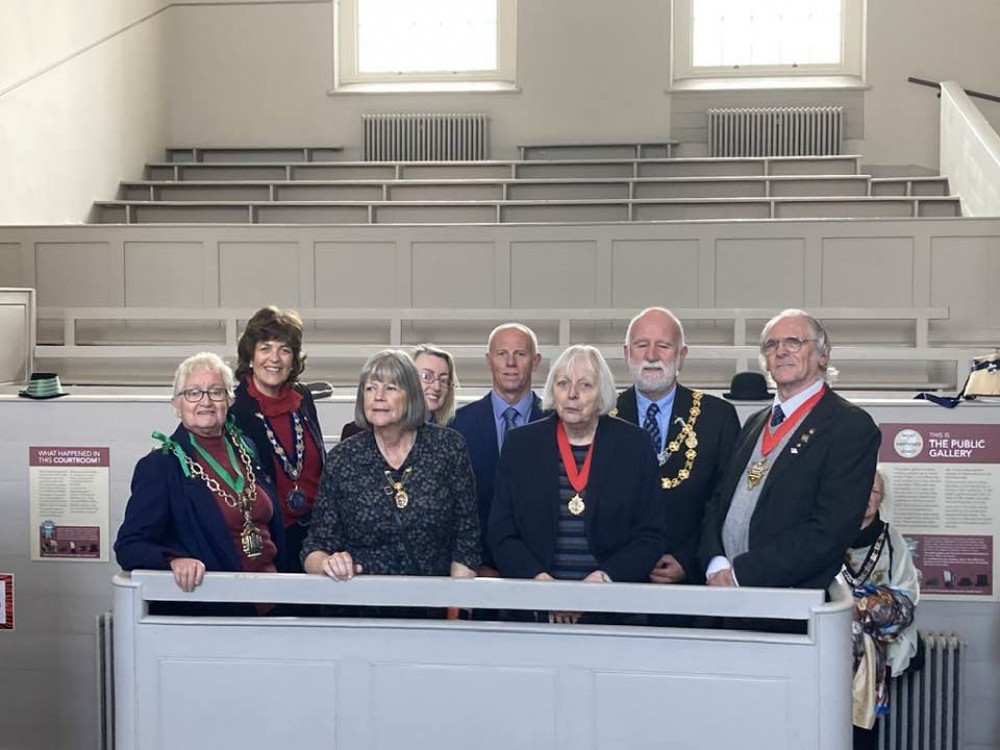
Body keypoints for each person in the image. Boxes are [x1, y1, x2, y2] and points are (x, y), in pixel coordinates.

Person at [700, 309, 881, 590]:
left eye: (794, 342)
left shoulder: (850, 426)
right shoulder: (754, 422)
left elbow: (829, 532)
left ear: (823, 355)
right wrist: (716, 562)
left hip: (789, 604)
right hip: (726, 594)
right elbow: (720, 500)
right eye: (771, 345)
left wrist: (741, 574)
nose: (781, 351)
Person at [488, 345, 667, 623]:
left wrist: (602, 581)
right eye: (563, 384)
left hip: (613, 611)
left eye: (585, 385)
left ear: (602, 394)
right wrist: (543, 587)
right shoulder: (521, 445)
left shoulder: (634, 445)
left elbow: (651, 534)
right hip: (534, 609)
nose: (572, 394)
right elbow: (501, 531)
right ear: (552, 391)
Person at [115, 352, 285, 605]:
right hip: (217, 607)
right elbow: (129, 545)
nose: (205, 401)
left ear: (229, 399)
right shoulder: (160, 466)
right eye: (193, 393)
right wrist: (173, 560)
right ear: (176, 403)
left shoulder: (247, 448)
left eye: (216, 391)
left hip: (275, 599)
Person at [303, 350, 479, 589]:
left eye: (391, 388)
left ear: (412, 396)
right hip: (358, 605)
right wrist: (328, 563)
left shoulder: (448, 448)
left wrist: (458, 605)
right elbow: (315, 548)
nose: (378, 397)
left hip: (432, 605)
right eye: (370, 388)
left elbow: (467, 538)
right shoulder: (343, 458)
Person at [615, 307, 740, 585]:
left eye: (663, 345)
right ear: (626, 354)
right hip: (617, 583)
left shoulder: (717, 416)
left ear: (681, 355)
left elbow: (725, 501)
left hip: (693, 585)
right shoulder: (602, 415)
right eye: (641, 345)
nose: (651, 356)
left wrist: (689, 558)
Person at [229, 306, 324, 573]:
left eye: (284, 350)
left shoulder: (303, 399)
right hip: (268, 538)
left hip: (316, 536)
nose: (275, 358)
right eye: (265, 348)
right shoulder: (235, 410)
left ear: (294, 359)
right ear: (250, 356)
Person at [451, 323, 547, 574]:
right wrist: (476, 563)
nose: (511, 363)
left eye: (520, 354)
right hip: (476, 570)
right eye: (502, 354)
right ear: (488, 360)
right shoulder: (458, 425)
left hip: (543, 572)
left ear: (535, 361)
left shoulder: (557, 422)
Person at [842, 469, 919, 749]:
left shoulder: (892, 540)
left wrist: (857, 606)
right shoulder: (829, 535)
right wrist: (873, 600)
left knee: (863, 735)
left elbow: (906, 601)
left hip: (875, 661)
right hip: (831, 656)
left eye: (874, 492)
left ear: (881, 498)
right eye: (862, 489)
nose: (867, 497)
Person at [340, 343, 460, 440]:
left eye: (444, 380)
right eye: (426, 377)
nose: (437, 386)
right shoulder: (356, 433)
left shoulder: (455, 434)